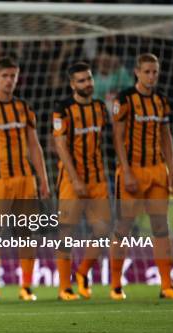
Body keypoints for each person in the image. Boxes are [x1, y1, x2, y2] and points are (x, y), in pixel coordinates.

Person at [0, 57, 50, 302]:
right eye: (5, 76)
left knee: (27, 232)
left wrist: (44, 179)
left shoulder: (24, 108)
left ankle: (26, 287)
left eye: (13, 76)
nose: (9, 80)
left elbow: (34, 146)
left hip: (25, 179)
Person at [112, 53, 173, 301]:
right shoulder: (125, 99)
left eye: (155, 71)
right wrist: (127, 170)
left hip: (157, 171)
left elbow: (166, 136)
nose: (152, 76)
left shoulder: (162, 101)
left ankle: (166, 285)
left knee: (160, 227)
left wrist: (172, 169)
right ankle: (115, 284)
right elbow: (118, 138)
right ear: (137, 72)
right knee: (123, 227)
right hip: (132, 171)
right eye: (147, 71)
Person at [52, 62, 112, 300]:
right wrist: (76, 179)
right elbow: (60, 144)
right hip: (70, 180)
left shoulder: (100, 107)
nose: (87, 83)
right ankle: (64, 288)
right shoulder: (63, 109)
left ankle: (83, 273)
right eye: (81, 80)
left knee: (103, 229)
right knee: (66, 231)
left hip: (97, 178)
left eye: (89, 79)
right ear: (72, 84)